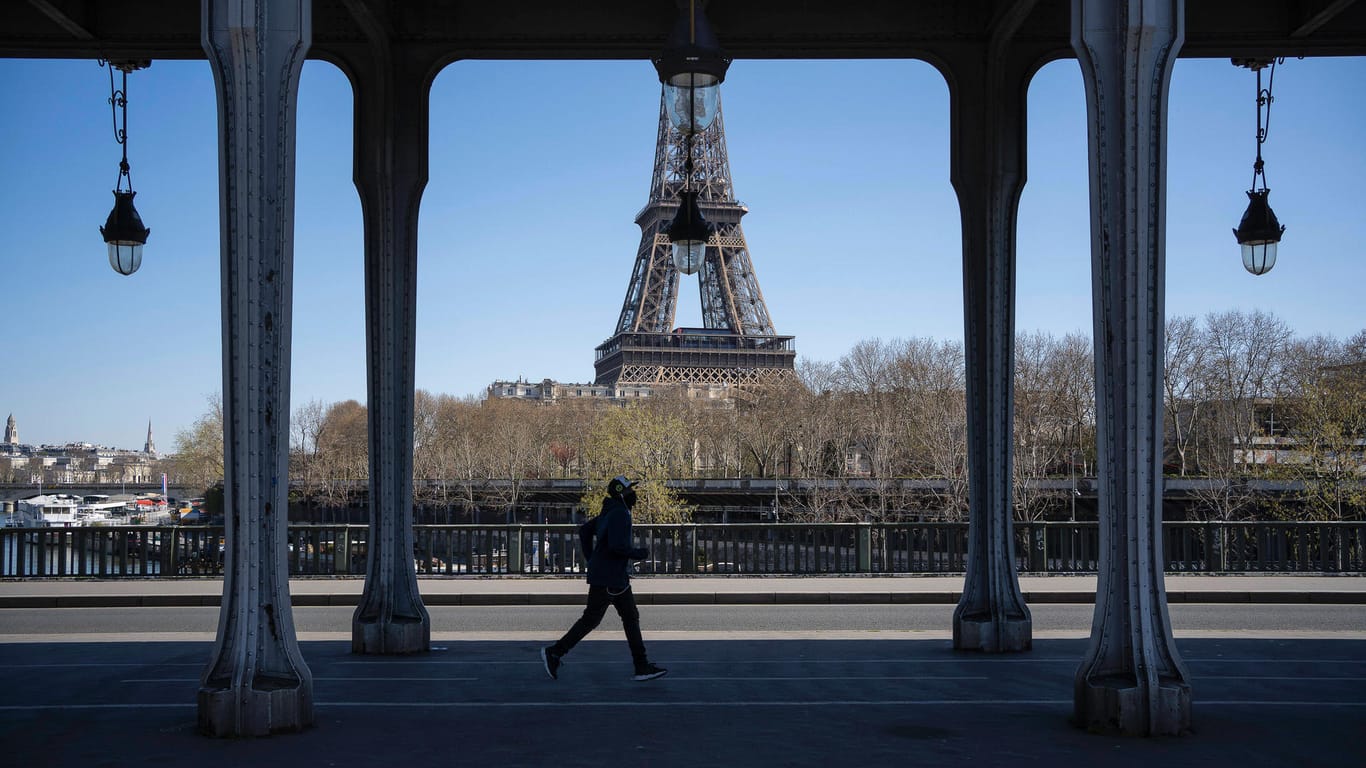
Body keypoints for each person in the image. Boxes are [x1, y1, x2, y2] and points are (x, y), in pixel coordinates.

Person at [541, 475, 667, 682]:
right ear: (621, 493)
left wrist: (592, 559)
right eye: (629, 491)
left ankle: (641, 665)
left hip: (611, 575)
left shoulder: (609, 511)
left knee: (626, 617)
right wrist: (639, 553)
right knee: (599, 619)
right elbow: (618, 546)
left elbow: (585, 532)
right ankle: (555, 652)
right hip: (611, 577)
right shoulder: (620, 514)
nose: (634, 494)